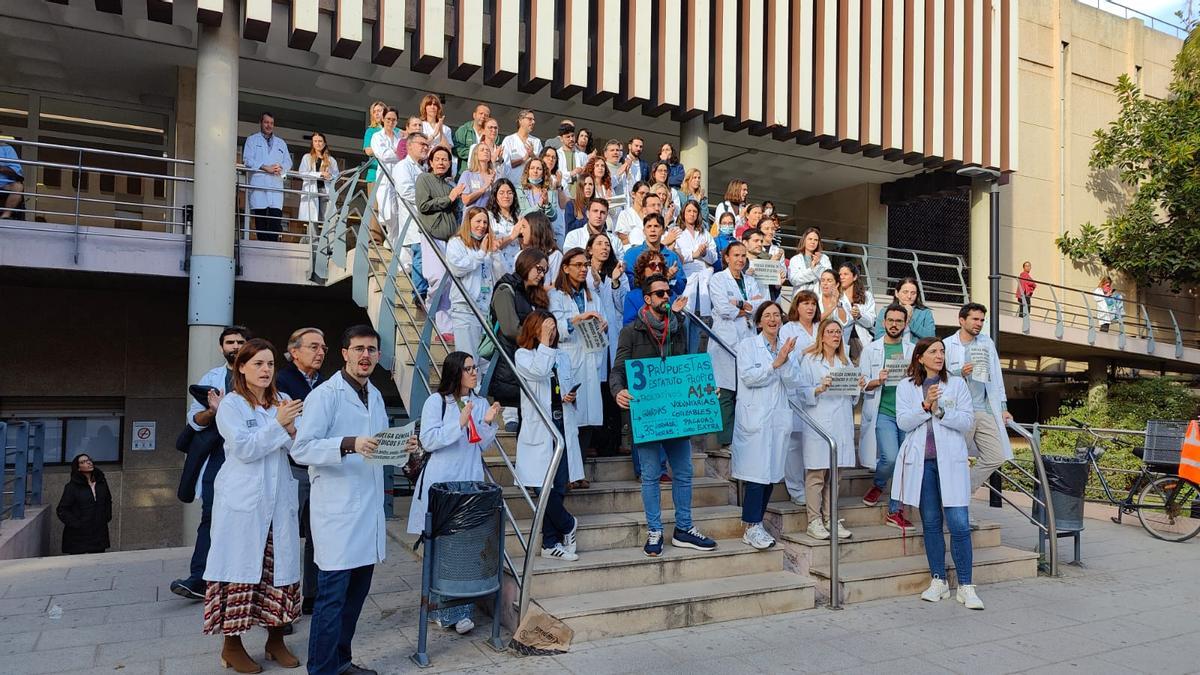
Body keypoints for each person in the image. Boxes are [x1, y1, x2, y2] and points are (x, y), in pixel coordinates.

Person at [292, 325, 391, 675]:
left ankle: (341, 662)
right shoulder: (325, 395)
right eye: (359, 349)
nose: (366, 355)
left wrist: (402, 448)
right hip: (337, 514)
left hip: (367, 512)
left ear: (378, 356)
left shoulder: (374, 395)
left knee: (354, 599)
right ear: (345, 353)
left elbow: (378, 446)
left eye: (372, 350)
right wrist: (349, 444)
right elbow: (301, 449)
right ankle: (321, 669)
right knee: (332, 599)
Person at [203, 338, 304, 673]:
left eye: (270, 364)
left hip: (279, 502)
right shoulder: (231, 405)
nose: (265, 370)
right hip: (243, 504)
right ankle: (232, 646)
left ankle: (276, 641)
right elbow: (245, 449)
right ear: (242, 367)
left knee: (279, 572)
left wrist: (291, 429)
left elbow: (297, 448)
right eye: (258, 363)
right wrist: (278, 425)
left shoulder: (283, 400)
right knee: (239, 574)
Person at [611, 274, 718, 557]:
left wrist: (704, 389)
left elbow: (687, 368)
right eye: (660, 293)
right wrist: (618, 391)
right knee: (650, 475)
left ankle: (684, 528)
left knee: (683, 472)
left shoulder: (678, 327)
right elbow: (618, 369)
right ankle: (655, 530)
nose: (666, 297)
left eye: (667, 292)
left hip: (676, 415)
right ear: (647, 299)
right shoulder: (631, 332)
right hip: (648, 415)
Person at [409, 351, 500, 632]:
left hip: (469, 482)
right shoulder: (436, 402)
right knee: (441, 547)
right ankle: (440, 609)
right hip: (442, 482)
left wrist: (488, 421)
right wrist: (458, 423)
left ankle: (459, 612)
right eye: (468, 369)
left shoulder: (479, 402)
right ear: (455, 372)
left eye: (475, 368)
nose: (474, 373)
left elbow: (481, 445)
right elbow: (428, 440)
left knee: (464, 547)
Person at [894, 337, 983, 609]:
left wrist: (940, 411)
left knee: (959, 524)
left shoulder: (956, 384)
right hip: (923, 464)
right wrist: (924, 407)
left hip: (951, 462)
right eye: (933, 351)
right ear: (919, 357)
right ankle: (939, 581)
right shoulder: (906, 386)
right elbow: (903, 422)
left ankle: (966, 585)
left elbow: (967, 421)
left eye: (942, 351)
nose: (939, 355)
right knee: (931, 523)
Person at [171, 326, 251, 601]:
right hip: (218, 457)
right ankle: (199, 578)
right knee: (210, 516)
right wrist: (213, 411)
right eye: (230, 342)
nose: (235, 346)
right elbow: (195, 421)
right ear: (221, 348)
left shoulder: (259, 375)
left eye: (240, 342)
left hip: (248, 456)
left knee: (245, 519)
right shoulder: (212, 378)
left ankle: (238, 579)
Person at [732, 301, 802, 550]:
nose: (773, 319)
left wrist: (784, 360)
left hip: (777, 420)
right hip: (755, 420)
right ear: (759, 321)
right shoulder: (747, 345)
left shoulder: (786, 348)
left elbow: (794, 381)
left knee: (771, 475)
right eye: (767, 315)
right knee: (756, 476)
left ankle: (757, 524)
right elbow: (749, 377)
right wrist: (775, 363)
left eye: (776, 315)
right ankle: (751, 526)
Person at [514, 312, 581, 560]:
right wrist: (544, 341)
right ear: (534, 329)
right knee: (539, 484)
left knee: (559, 483)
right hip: (539, 426)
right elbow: (539, 372)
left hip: (561, 421)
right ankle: (567, 523)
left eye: (553, 330)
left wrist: (570, 396)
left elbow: (565, 383)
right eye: (546, 329)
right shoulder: (523, 355)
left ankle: (550, 543)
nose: (551, 334)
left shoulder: (561, 356)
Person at [943, 302, 1012, 527]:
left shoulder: (986, 343)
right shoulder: (947, 345)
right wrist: (958, 372)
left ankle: (962, 494)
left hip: (984, 408)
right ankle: (959, 509)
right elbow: (939, 377)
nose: (979, 324)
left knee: (996, 455)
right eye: (975, 319)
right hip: (959, 411)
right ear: (961, 320)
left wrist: (1003, 407)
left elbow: (996, 376)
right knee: (957, 460)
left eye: (982, 320)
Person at [275, 327, 327, 617]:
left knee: (316, 535)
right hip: (293, 468)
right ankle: (284, 604)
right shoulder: (281, 381)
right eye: (314, 347)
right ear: (294, 352)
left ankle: (312, 595)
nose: (320, 352)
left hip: (320, 468)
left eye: (323, 348)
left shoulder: (325, 383)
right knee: (287, 537)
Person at [797, 318, 863, 540]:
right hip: (819, 422)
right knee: (817, 475)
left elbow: (852, 399)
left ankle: (831, 518)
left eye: (838, 332)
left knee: (835, 476)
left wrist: (857, 386)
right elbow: (800, 392)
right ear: (822, 336)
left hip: (841, 424)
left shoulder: (846, 362)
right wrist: (819, 388)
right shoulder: (809, 360)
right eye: (831, 332)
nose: (835, 335)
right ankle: (814, 520)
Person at [550, 248, 606, 485]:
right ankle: (567, 474)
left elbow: (602, 321)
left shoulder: (592, 296)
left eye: (586, 265)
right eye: (578, 265)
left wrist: (602, 325)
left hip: (590, 357)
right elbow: (553, 327)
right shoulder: (555, 296)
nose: (584, 269)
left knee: (588, 419)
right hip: (568, 359)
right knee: (570, 420)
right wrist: (577, 320)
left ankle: (579, 473)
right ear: (565, 268)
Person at [859, 304, 917, 532]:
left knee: (905, 463)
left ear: (905, 324)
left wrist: (912, 377)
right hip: (883, 412)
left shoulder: (913, 351)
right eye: (890, 320)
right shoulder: (870, 350)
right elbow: (862, 383)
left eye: (899, 321)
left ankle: (895, 511)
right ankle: (879, 483)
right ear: (884, 323)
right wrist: (878, 380)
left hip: (907, 414)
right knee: (890, 458)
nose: (894, 324)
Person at [708, 240, 765, 450]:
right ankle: (726, 440)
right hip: (725, 339)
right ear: (726, 258)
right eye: (736, 255)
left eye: (743, 255)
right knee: (725, 391)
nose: (740, 259)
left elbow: (760, 306)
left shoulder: (750, 280)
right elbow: (723, 308)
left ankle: (742, 438)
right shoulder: (718, 279)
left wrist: (738, 304)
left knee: (745, 390)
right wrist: (746, 305)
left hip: (747, 338)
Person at [489, 249, 551, 431]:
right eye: (539, 269)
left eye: (545, 271)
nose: (541, 274)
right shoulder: (506, 289)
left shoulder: (530, 293)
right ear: (526, 264)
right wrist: (540, 338)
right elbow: (510, 329)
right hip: (511, 363)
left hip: (529, 362)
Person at [584, 231, 628, 457]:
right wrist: (597, 283)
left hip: (612, 338)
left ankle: (614, 441)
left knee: (613, 386)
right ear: (589, 249)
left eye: (607, 244)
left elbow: (623, 305)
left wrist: (616, 281)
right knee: (595, 388)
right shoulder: (583, 272)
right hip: (591, 337)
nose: (604, 248)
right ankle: (593, 441)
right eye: (599, 244)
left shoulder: (616, 272)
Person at [417, 145, 467, 339]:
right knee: (438, 279)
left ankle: (445, 328)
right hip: (432, 234)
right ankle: (429, 306)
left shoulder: (450, 184)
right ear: (430, 162)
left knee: (450, 283)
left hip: (451, 239)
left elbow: (457, 212)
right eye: (437, 159)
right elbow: (423, 205)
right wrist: (449, 198)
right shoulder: (424, 179)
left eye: (445, 159)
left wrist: (457, 199)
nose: (441, 162)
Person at [781, 291, 819, 505]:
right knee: (795, 443)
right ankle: (796, 489)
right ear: (797, 306)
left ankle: (814, 488)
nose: (810, 307)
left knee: (814, 442)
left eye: (813, 304)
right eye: (805, 303)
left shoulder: (822, 327)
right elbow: (784, 358)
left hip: (818, 390)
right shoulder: (788, 329)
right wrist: (807, 350)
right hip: (796, 389)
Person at [445, 206, 497, 363]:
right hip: (465, 309)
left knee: (483, 362)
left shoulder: (487, 245)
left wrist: (496, 252)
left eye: (485, 222)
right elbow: (457, 268)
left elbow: (499, 273)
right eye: (478, 221)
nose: (482, 226)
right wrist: (480, 254)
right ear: (468, 222)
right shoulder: (456, 243)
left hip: (485, 311)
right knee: (468, 360)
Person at [243, 112, 293, 242]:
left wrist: (281, 167)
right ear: (261, 123)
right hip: (259, 186)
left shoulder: (281, 143)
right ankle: (263, 250)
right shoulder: (252, 140)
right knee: (261, 225)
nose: (269, 125)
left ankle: (273, 250)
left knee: (275, 224)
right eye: (266, 122)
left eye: (271, 123)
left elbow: (288, 162)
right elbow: (247, 160)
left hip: (275, 187)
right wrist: (265, 167)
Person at [675, 200, 717, 353]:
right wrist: (694, 254)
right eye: (689, 211)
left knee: (700, 323)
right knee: (685, 319)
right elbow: (675, 254)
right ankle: (683, 355)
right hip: (687, 278)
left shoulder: (705, 233)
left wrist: (704, 254)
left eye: (694, 211)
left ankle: (694, 355)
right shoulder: (676, 232)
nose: (692, 214)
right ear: (683, 213)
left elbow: (714, 257)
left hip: (703, 280)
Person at [392, 130, 430, 298]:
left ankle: (423, 294)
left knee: (425, 256)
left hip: (425, 220)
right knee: (419, 255)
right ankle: (419, 295)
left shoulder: (424, 168)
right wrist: (429, 200)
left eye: (427, 145)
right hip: (413, 219)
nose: (425, 148)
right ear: (409, 146)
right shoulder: (402, 166)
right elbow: (406, 191)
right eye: (422, 144)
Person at [56, 454, 112, 554]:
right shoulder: (71, 487)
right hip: (78, 537)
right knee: (79, 561)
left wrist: (106, 517)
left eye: (89, 460)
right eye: (83, 462)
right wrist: (77, 524)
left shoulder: (101, 483)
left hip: (98, 534)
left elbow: (108, 500)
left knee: (97, 561)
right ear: (78, 468)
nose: (89, 462)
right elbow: (62, 510)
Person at [622, 213, 684, 297]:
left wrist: (671, 279)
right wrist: (664, 278)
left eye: (656, 226)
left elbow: (681, 286)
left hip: (666, 302)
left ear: (663, 230)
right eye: (649, 226)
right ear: (644, 231)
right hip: (639, 300)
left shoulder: (672, 256)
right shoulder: (631, 254)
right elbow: (628, 283)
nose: (652, 230)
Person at [371, 109, 404, 242]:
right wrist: (397, 152)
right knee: (387, 212)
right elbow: (383, 155)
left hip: (399, 177)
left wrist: (395, 152)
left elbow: (404, 155)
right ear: (383, 119)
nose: (391, 122)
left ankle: (393, 242)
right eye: (388, 119)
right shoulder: (377, 136)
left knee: (398, 212)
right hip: (384, 178)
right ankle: (391, 239)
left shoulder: (400, 137)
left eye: (394, 120)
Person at [297, 132, 339, 231]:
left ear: (324, 143)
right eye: (315, 141)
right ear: (312, 143)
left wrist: (329, 176)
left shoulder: (331, 160)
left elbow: (336, 175)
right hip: (312, 191)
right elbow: (302, 173)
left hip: (326, 192)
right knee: (312, 222)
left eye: (320, 141)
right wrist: (320, 174)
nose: (318, 143)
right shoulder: (307, 157)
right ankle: (313, 241)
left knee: (331, 220)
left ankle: (330, 241)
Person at [836, 263, 876, 362]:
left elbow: (870, 322)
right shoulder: (836, 296)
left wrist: (859, 316)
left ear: (854, 277)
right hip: (841, 340)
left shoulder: (867, 296)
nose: (841, 277)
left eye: (845, 274)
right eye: (840, 274)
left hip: (860, 341)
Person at [487, 178, 524, 278]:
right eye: (501, 193)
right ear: (495, 196)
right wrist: (512, 236)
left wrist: (521, 236)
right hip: (497, 269)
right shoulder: (489, 217)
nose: (506, 196)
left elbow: (523, 245)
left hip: (516, 268)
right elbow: (492, 246)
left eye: (509, 193)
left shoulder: (519, 216)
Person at [622, 249, 669, 326]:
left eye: (660, 265)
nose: (657, 269)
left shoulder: (669, 293)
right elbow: (629, 327)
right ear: (643, 269)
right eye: (652, 265)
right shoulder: (633, 297)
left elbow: (674, 319)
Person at [500, 109, 541, 185]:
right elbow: (506, 165)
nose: (533, 122)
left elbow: (541, 165)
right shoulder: (509, 140)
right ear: (520, 120)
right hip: (512, 184)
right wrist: (524, 158)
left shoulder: (536, 141)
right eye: (530, 119)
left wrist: (532, 155)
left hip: (531, 186)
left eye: (534, 120)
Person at [787, 227, 832, 295]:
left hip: (818, 296)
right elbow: (794, 280)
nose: (812, 242)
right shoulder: (795, 259)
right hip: (800, 296)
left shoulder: (824, 258)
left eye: (815, 240)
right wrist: (811, 270)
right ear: (804, 240)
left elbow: (828, 278)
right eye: (810, 239)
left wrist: (818, 265)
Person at [522, 211, 562, 286]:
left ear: (535, 228)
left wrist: (533, 289)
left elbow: (556, 286)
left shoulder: (555, 255)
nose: (521, 231)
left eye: (524, 227)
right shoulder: (521, 255)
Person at [455, 143, 496, 209]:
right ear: (476, 155)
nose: (486, 151)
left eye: (487, 150)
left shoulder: (494, 174)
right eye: (482, 150)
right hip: (472, 213)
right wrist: (484, 187)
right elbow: (465, 200)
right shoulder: (467, 174)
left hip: (489, 213)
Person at [613, 181, 651, 249]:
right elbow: (622, 239)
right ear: (633, 194)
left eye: (647, 194)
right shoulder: (625, 214)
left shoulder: (651, 215)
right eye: (642, 193)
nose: (644, 196)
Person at [453, 103, 491, 169]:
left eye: (486, 115)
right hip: (465, 171)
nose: (483, 116)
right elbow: (455, 149)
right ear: (474, 115)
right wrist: (475, 154)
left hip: (485, 172)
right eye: (481, 113)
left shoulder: (491, 133)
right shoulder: (463, 130)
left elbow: (494, 151)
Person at [556, 122, 589, 189]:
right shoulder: (557, 155)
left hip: (579, 192)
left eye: (572, 136)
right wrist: (572, 173)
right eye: (568, 137)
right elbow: (556, 175)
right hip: (562, 192)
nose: (571, 139)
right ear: (561, 139)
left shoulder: (582, 156)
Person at [0, 139, 25, 219]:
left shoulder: (6, 148)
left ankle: (5, 216)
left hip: (3, 185)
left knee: (18, 186)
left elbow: (17, 173)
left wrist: (1, 168)